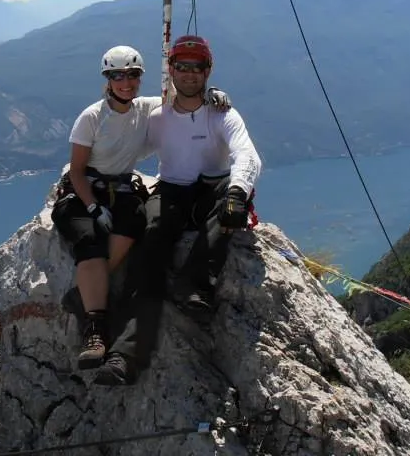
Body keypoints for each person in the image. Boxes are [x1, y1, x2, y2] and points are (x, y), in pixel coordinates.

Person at [51, 45, 232, 371]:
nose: (126, 83)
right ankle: (95, 329)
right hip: (84, 191)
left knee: (137, 223)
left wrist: (213, 94)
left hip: (120, 191)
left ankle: (84, 293)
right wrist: (92, 208)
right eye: (117, 76)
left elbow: (183, 97)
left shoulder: (145, 108)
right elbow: (76, 171)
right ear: (107, 79)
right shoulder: (91, 117)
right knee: (90, 243)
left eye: (132, 75)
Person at [94, 34, 262, 386]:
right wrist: (86, 173)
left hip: (213, 187)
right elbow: (124, 142)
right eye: (181, 66)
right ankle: (125, 355)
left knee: (231, 205)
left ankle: (194, 286)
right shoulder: (157, 115)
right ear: (170, 70)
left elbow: (246, 154)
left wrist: (237, 190)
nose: (189, 73)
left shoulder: (222, 113)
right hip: (170, 189)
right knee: (150, 243)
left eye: (196, 66)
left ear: (208, 70)